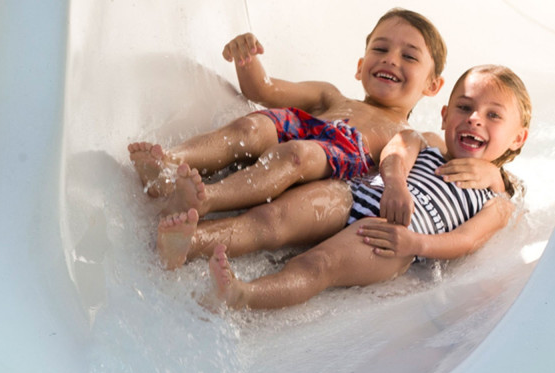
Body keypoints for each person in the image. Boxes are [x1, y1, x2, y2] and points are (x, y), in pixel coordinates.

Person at [156, 64, 531, 310]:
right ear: (446, 115)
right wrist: (396, 184)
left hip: (394, 239)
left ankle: (244, 295)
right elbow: (396, 153)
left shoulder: (498, 201)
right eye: (464, 108)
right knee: (270, 219)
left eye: (493, 115)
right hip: (357, 193)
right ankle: (187, 244)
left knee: (317, 266)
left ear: (517, 138)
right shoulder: (429, 140)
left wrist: (416, 244)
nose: (475, 119)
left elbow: (466, 240)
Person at [127, 8, 447, 223]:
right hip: (305, 130)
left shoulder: (409, 135)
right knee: (251, 126)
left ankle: (207, 198)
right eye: (380, 49)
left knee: (295, 154)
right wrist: (247, 59)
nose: (391, 60)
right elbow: (264, 91)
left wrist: (491, 173)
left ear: (433, 86)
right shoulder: (329, 95)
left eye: (408, 56)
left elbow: (451, 155)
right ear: (360, 66)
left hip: (334, 157)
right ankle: (168, 163)